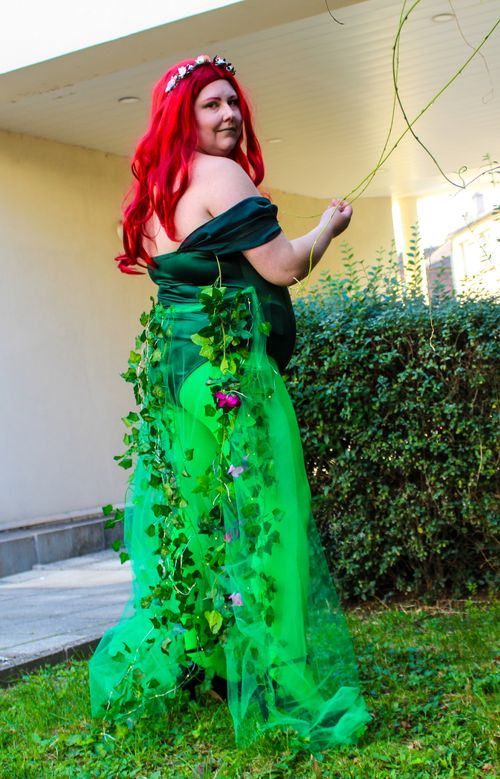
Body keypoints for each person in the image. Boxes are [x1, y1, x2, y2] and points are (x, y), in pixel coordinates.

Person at [89, 54, 371, 749]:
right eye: (211, 104)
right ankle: (278, 675)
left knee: (199, 515)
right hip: (224, 373)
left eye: (233, 102)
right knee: (266, 511)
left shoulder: (157, 189)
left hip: (173, 373)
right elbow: (283, 266)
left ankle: (211, 660)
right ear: (182, 118)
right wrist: (328, 227)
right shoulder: (220, 175)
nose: (229, 115)